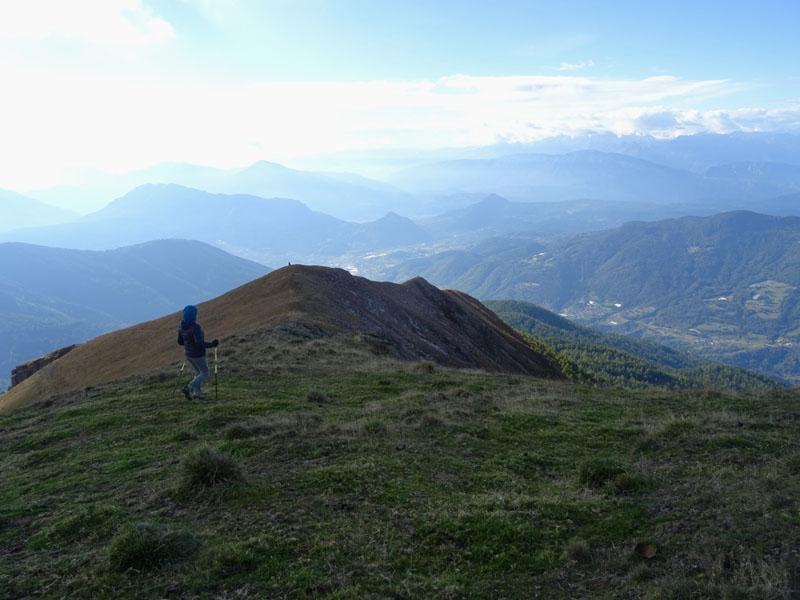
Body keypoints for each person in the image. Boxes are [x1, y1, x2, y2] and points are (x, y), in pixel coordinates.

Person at [177, 305, 218, 400]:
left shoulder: (181, 325)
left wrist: (188, 344)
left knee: (197, 373)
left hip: (188, 354)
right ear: (194, 315)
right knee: (205, 373)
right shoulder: (196, 327)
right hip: (198, 354)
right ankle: (189, 388)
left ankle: (198, 393)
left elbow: (180, 341)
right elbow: (199, 343)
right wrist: (212, 344)